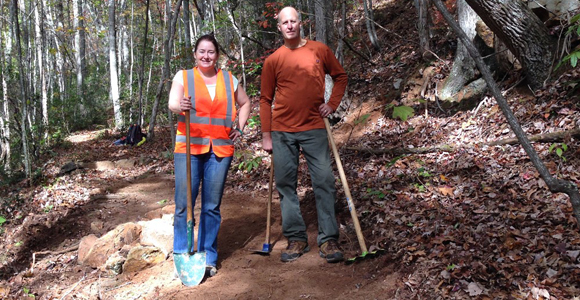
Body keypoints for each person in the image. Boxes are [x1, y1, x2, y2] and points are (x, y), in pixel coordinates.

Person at [259, 7, 348, 263]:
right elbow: (265, 100)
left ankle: (329, 239)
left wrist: (331, 105)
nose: (289, 25)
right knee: (286, 185)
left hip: (314, 128)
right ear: (279, 27)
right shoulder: (273, 60)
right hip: (282, 132)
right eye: (284, 22)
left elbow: (340, 76)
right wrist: (267, 135)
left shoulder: (319, 50)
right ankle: (297, 238)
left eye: (293, 21)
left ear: (300, 23)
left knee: (324, 182)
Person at [168, 34, 251, 276]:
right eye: (202, 51)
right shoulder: (183, 77)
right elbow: (173, 102)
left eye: (211, 52)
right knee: (184, 204)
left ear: (218, 55)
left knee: (211, 206)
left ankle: (207, 256)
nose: (206, 56)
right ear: (195, 54)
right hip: (189, 150)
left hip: (220, 150)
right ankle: (182, 254)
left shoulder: (229, 79)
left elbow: (245, 103)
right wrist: (179, 106)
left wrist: (240, 128)